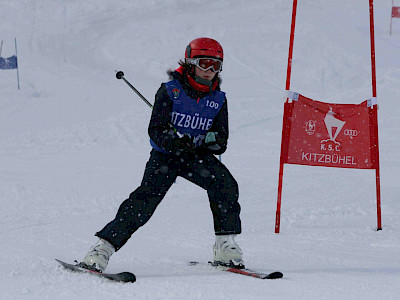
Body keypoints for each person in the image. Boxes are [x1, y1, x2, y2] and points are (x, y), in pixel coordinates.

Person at [79, 37, 243, 272]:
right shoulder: (170, 91)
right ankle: (102, 248)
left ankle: (225, 245)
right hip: (165, 157)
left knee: (225, 185)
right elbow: (156, 129)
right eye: (204, 63)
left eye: (216, 66)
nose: (210, 71)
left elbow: (221, 138)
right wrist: (175, 143)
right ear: (190, 63)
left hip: (195, 157)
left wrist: (211, 143)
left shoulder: (218, 99)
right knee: (144, 201)